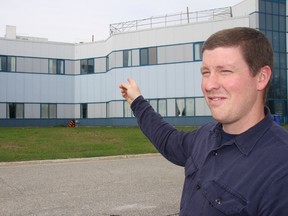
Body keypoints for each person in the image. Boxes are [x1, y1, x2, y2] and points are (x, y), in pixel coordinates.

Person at [119, 27, 288, 215]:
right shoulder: (205, 136)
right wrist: (137, 101)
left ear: (261, 78)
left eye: (225, 71)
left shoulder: (280, 170)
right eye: (206, 72)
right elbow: (168, 139)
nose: (209, 85)